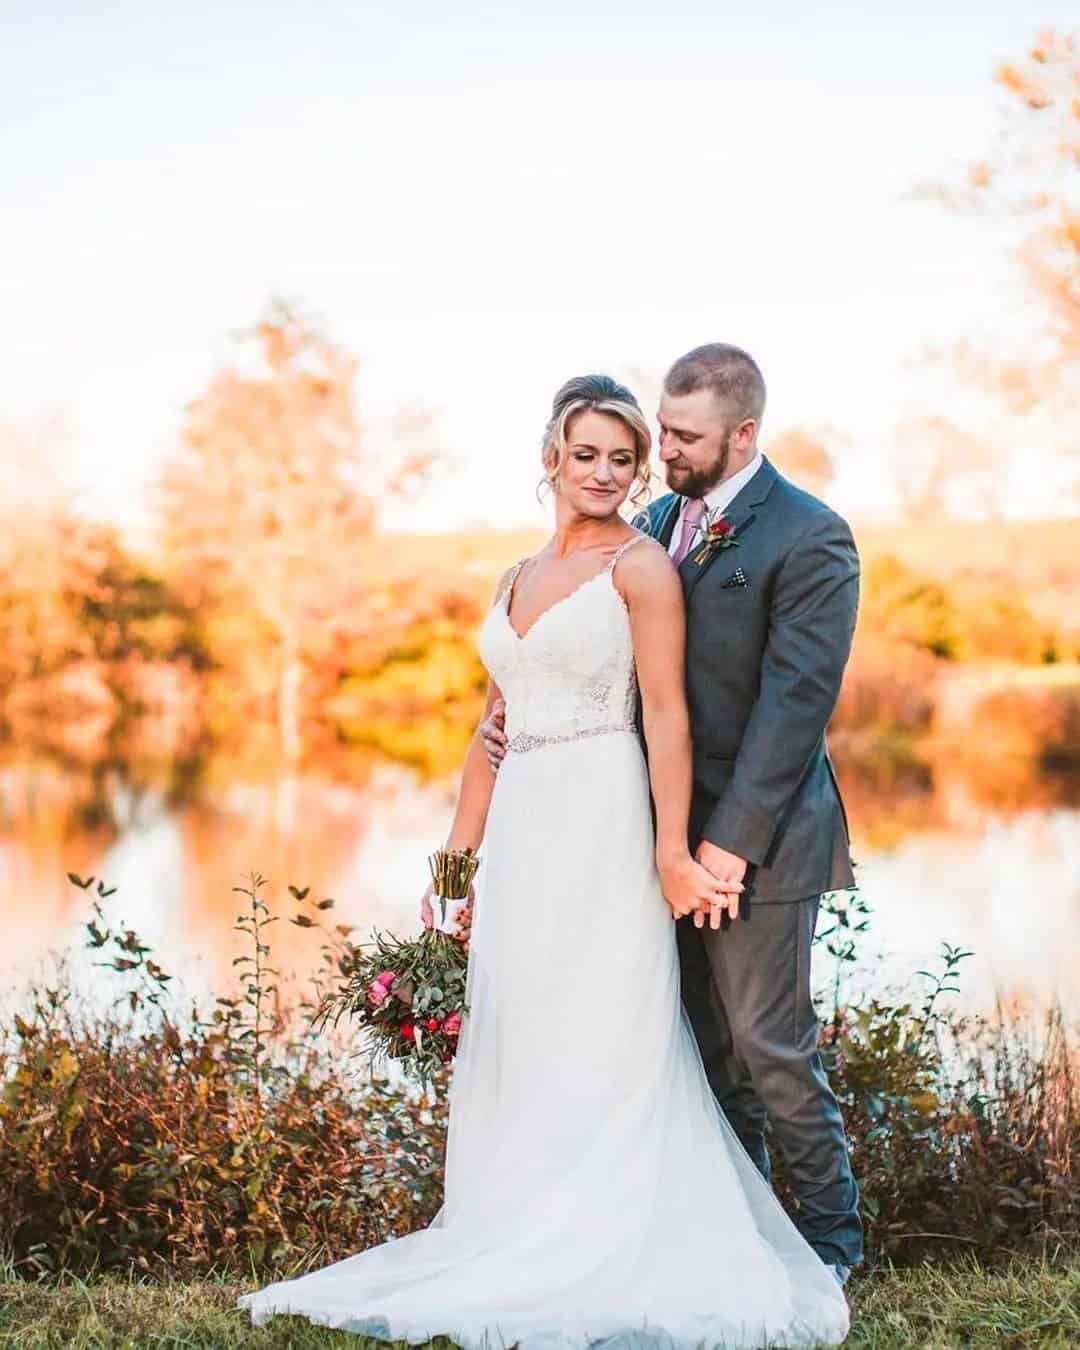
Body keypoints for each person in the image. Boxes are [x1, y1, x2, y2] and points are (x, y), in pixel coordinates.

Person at [238, 371, 851, 1348]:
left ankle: (617, 1240)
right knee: (522, 1024)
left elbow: (669, 716)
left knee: (603, 1027)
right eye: (586, 455)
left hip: (602, 818)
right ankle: (515, 1229)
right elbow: (494, 728)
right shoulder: (512, 580)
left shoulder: (642, 567)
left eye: (623, 458)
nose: (605, 473)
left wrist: (667, 853)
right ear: (549, 459)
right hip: (524, 826)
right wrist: (453, 873)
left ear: (640, 468)